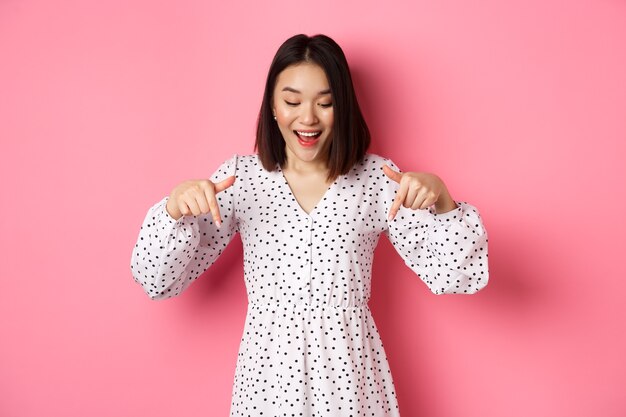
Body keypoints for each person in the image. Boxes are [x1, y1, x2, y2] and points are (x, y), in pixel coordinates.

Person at [130, 33, 489, 416]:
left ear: (343, 107)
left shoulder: (378, 179)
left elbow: (455, 277)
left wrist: (444, 200)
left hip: (349, 377)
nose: (308, 118)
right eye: (292, 101)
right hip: (267, 380)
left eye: (326, 102)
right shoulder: (241, 180)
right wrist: (173, 211)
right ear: (271, 105)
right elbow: (157, 280)